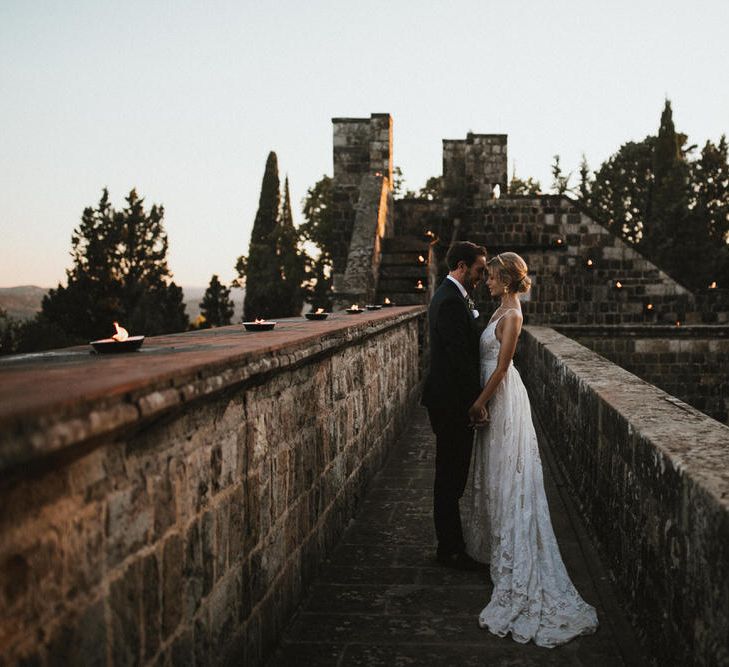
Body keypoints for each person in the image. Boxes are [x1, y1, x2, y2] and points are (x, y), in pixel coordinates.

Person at [464, 251, 599, 647]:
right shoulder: (499, 310)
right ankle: (497, 545)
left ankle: (517, 563)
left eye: (490, 277)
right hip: (495, 393)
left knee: (510, 474)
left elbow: (504, 366)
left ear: (506, 280)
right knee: (495, 471)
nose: (486, 281)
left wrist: (480, 402)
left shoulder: (514, 315)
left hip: (503, 397)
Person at [421, 241, 488, 570]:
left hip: (450, 399)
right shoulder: (449, 301)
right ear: (462, 266)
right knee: (449, 476)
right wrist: (477, 401)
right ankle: (449, 548)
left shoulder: (453, 296)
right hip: (450, 403)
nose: (482, 276)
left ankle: (451, 544)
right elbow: (459, 360)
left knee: (452, 474)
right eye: (478, 270)